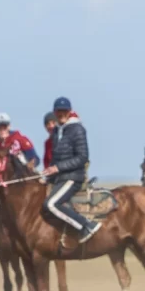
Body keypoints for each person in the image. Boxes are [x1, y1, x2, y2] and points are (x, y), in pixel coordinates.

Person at [41, 97, 100, 243]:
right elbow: (55, 158)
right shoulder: (56, 132)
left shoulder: (77, 130)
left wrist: (58, 167)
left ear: (69, 112)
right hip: (60, 178)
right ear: (54, 112)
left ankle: (86, 226)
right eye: (58, 111)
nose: (61, 114)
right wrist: (47, 175)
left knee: (51, 204)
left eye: (64, 111)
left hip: (73, 177)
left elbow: (82, 157)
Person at [0, 113, 40, 243]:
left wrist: (30, 164)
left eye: (4, 126)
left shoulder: (20, 139)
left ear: (9, 126)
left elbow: (35, 158)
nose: (2, 129)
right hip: (3, 184)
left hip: (23, 182)